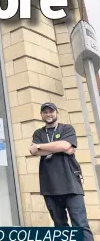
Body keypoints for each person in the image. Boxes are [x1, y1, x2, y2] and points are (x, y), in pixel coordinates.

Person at [30, 102, 93, 241]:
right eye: (45, 112)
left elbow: (64, 145)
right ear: (41, 115)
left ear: (57, 113)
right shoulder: (38, 133)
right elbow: (33, 151)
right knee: (60, 226)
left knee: (80, 225)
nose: (48, 114)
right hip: (50, 187)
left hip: (71, 185)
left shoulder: (67, 128)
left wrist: (41, 146)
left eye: (51, 111)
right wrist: (60, 148)